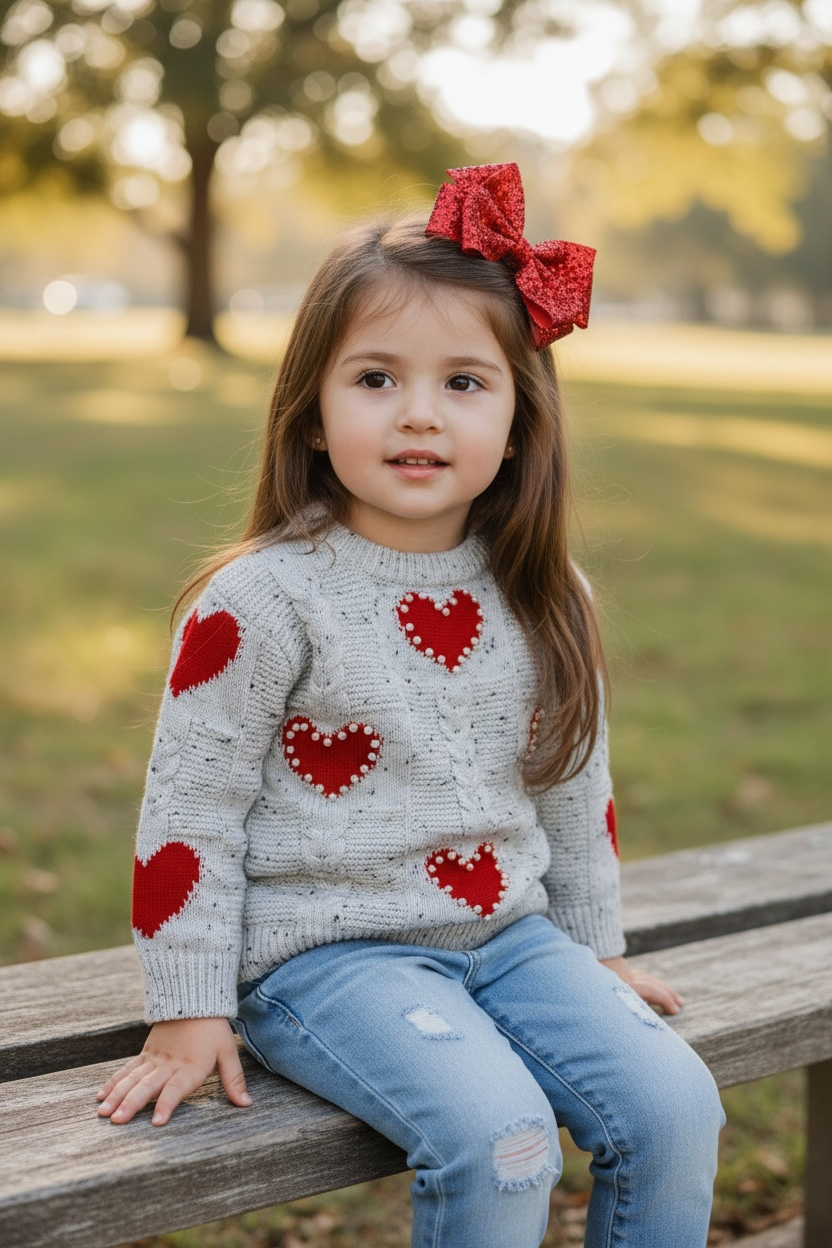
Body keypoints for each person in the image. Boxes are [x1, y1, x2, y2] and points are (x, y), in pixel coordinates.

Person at [97, 163, 724, 1248]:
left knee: (675, 1105)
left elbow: (575, 788)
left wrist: (594, 946)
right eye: (376, 379)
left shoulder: (544, 592)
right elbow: (187, 813)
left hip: (513, 938)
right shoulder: (262, 600)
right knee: (501, 1136)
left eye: (464, 384)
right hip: (326, 956)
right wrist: (189, 1004)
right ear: (309, 411)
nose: (419, 416)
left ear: (523, 421)